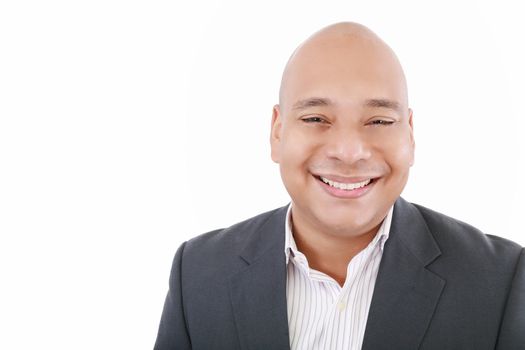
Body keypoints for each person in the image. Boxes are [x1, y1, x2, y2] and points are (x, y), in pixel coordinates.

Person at [154, 22, 524, 350]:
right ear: (277, 132)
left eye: (378, 121)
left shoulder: (501, 283)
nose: (349, 152)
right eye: (316, 118)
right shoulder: (199, 275)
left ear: (410, 135)